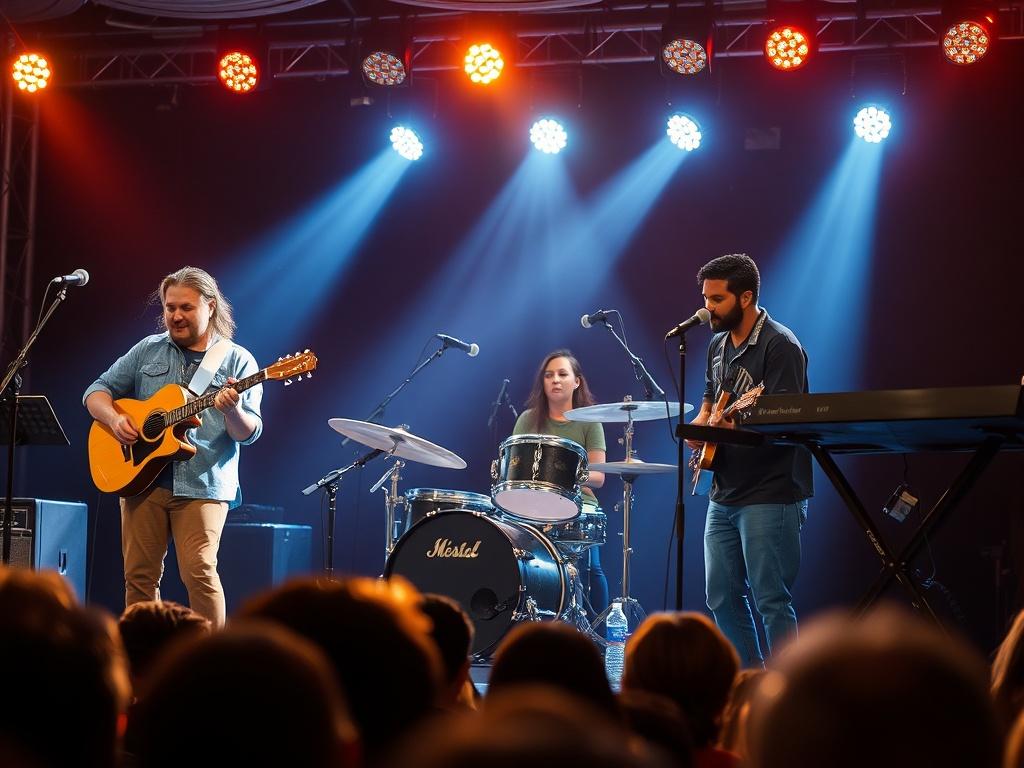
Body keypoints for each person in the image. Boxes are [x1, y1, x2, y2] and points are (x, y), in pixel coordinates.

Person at [84, 266, 262, 628]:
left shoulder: (237, 360)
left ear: (210, 307)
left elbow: (248, 433)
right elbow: (95, 392)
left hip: (204, 483)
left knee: (199, 571)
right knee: (138, 578)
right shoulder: (147, 350)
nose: (176, 316)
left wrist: (234, 411)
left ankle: (208, 665)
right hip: (140, 481)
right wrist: (116, 420)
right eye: (170, 308)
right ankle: (143, 662)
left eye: (186, 308)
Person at [687, 254, 812, 667]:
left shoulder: (781, 345)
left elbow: (784, 421)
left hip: (771, 490)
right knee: (720, 596)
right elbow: (709, 399)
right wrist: (703, 425)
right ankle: (751, 682)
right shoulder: (717, 344)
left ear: (746, 297)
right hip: (724, 489)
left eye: (716, 299)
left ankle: (785, 691)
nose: (707, 309)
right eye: (705, 298)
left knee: (771, 599)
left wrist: (732, 423)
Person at [512, 349, 608, 614]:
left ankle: (600, 638)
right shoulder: (527, 419)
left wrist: (561, 477)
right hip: (533, 507)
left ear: (577, 381)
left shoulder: (590, 421)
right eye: (549, 375)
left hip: (579, 505)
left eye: (562, 374)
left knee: (592, 567)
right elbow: (515, 472)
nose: (555, 380)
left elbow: (599, 477)